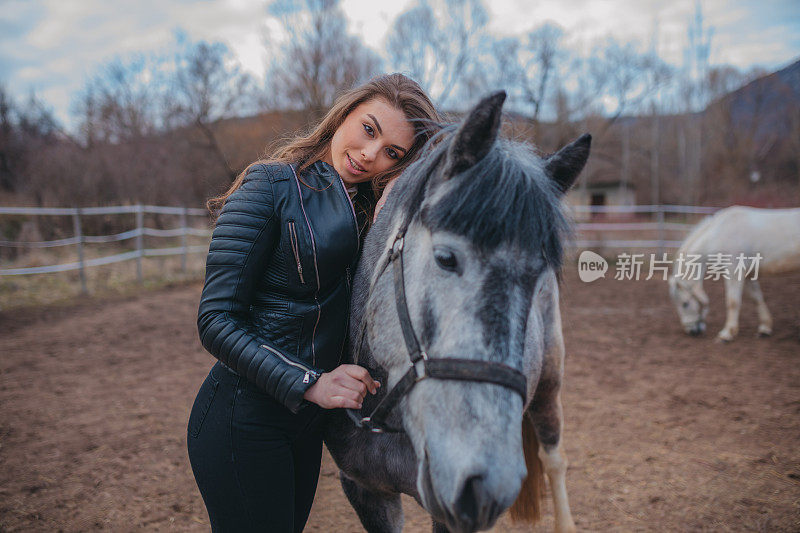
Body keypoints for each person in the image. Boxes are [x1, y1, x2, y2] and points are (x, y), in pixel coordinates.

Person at [187, 73, 441, 532]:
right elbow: (215, 320)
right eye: (369, 129)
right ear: (344, 113)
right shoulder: (270, 186)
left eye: (392, 153)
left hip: (304, 426)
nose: (370, 155)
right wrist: (310, 382)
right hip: (243, 418)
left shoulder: (369, 210)